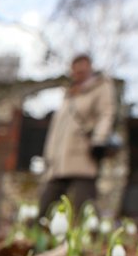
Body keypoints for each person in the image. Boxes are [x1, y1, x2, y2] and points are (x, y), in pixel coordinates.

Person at [37, 54, 117, 216]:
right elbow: (56, 130)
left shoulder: (101, 87)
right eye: (75, 66)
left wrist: (99, 140)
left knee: (84, 204)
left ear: (90, 67)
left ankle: (89, 239)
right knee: (46, 205)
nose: (79, 70)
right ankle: (38, 238)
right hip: (59, 159)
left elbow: (106, 114)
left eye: (83, 65)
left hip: (82, 154)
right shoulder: (69, 94)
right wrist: (49, 155)